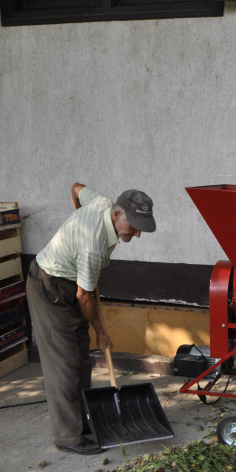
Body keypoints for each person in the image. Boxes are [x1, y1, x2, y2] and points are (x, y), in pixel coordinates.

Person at [27, 184, 156, 455]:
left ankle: (83, 421)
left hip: (70, 282)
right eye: (134, 226)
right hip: (50, 288)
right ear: (117, 214)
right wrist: (101, 331)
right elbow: (84, 296)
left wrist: (78, 214)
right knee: (64, 363)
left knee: (81, 359)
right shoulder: (93, 247)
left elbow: (76, 187)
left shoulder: (101, 203)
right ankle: (67, 436)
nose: (138, 233)